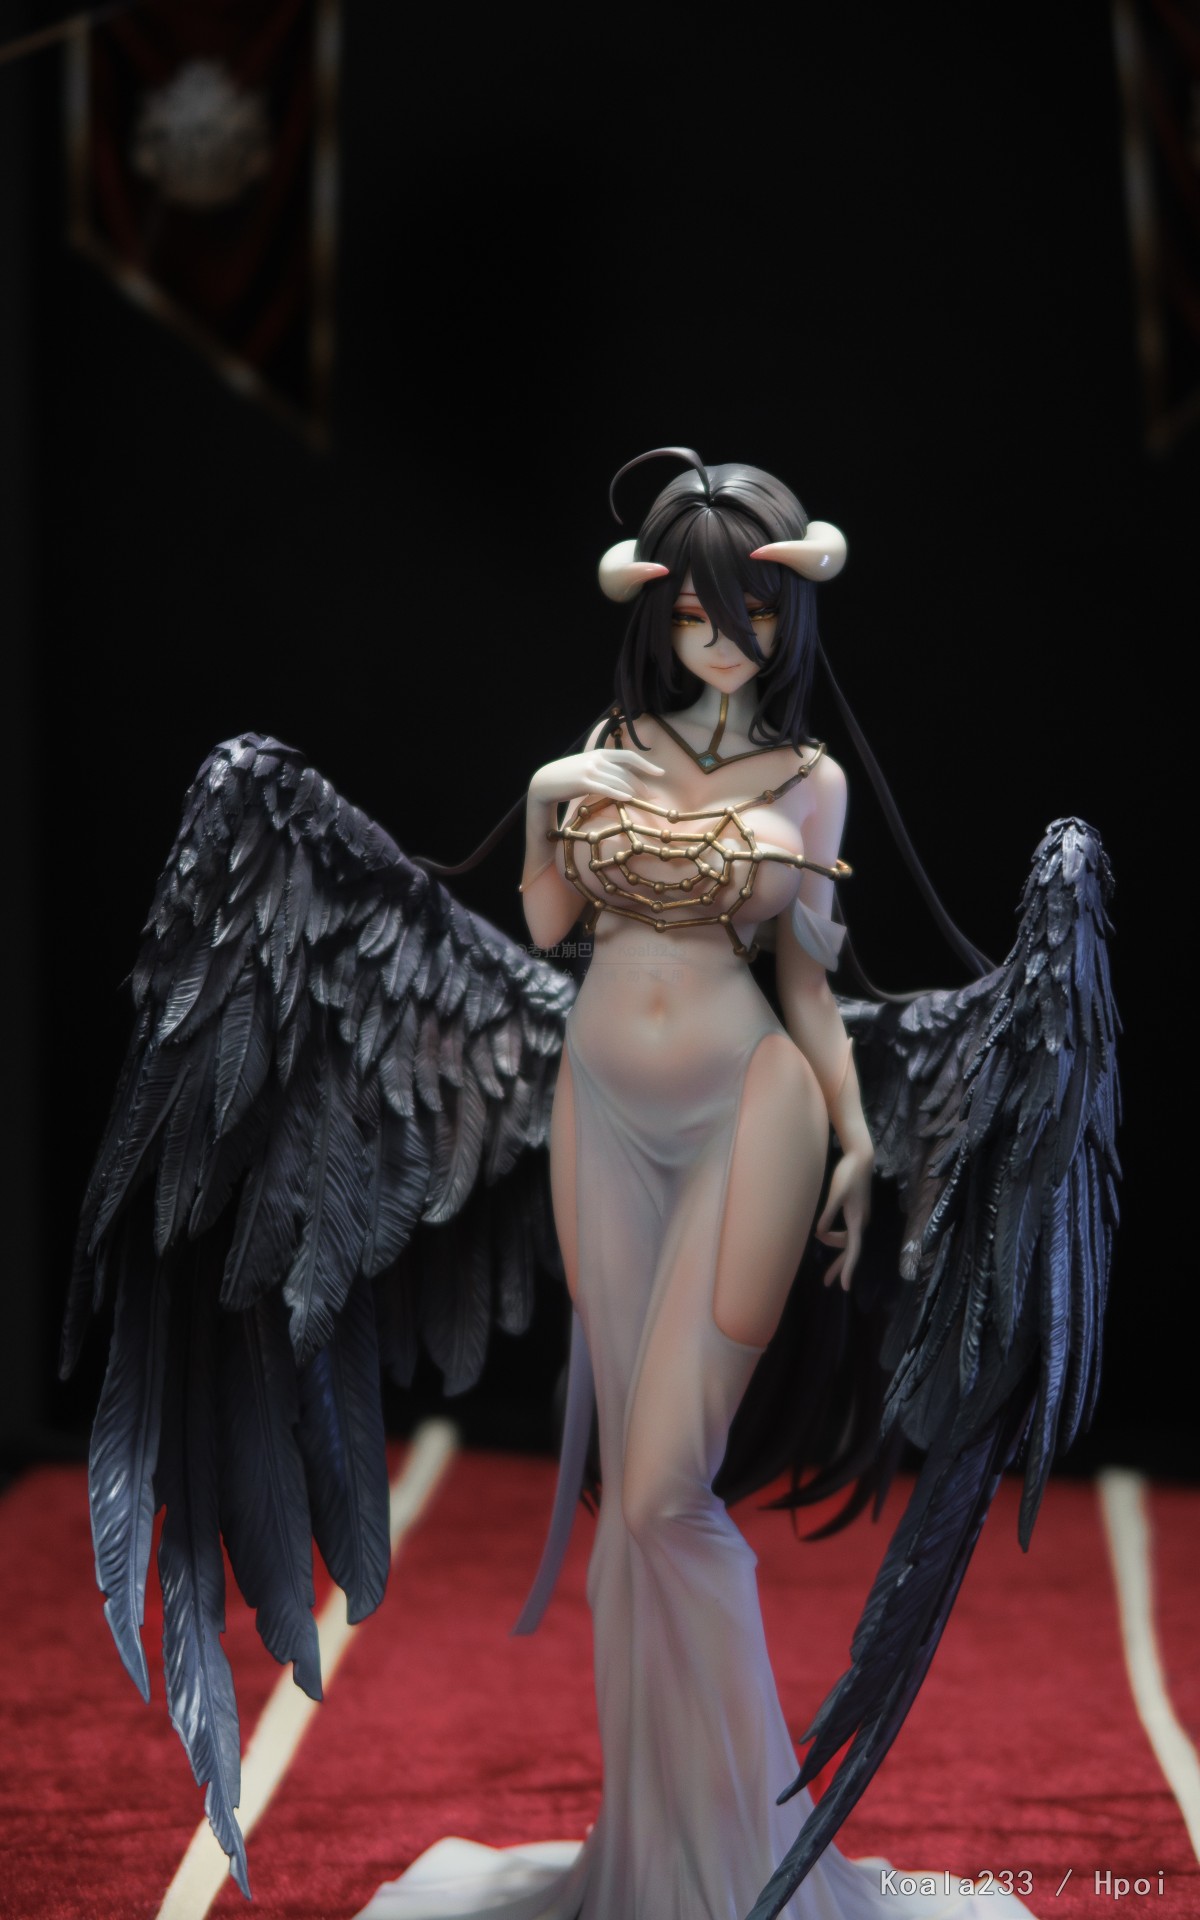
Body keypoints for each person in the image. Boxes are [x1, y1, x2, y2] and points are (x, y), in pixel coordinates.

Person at [355, 451, 1037, 1919]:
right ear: (660, 616)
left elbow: (806, 980)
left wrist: (857, 1136)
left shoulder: (812, 782)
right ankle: (652, 1858)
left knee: (669, 1491)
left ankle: (746, 1866)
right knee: (629, 1501)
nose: (727, 639)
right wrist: (549, 796)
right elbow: (547, 927)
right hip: (599, 1113)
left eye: (755, 614)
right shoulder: (598, 757)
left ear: (788, 620)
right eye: (699, 614)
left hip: (752, 1110)